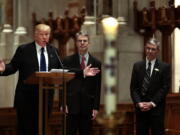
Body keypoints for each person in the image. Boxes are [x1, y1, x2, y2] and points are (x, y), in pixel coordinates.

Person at [0, 24, 100, 135]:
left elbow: (63, 69)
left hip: (45, 99)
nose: (44, 37)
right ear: (35, 35)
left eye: (47, 34)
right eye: (42, 34)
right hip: (26, 99)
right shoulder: (24, 50)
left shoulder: (53, 51)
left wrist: (82, 72)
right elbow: (13, 67)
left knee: (41, 130)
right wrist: (3, 69)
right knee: (25, 130)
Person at [63, 31, 101, 135]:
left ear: (89, 43)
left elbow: (97, 86)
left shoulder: (96, 62)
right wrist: (63, 102)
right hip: (71, 105)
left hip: (87, 106)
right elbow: (63, 84)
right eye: (80, 41)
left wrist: (96, 107)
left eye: (85, 41)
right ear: (76, 43)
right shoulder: (67, 60)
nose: (82, 43)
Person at [130, 37, 171, 135]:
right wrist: (138, 103)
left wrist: (152, 103)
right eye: (148, 48)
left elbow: (165, 88)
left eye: (153, 49)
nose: (150, 51)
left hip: (156, 110)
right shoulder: (137, 66)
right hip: (141, 110)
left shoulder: (164, 67)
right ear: (145, 48)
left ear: (158, 51)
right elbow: (133, 88)